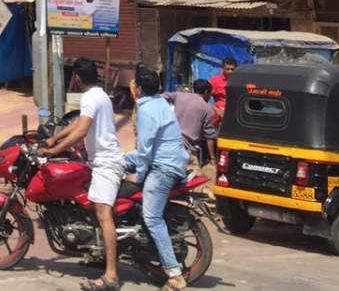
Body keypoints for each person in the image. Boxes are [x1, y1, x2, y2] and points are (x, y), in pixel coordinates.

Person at [42, 59, 123, 291]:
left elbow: (82, 130)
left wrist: (54, 150)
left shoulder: (89, 97)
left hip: (105, 163)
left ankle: (111, 276)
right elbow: (78, 122)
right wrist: (55, 137)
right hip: (100, 160)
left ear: (77, 77)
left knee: (103, 213)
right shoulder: (101, 94)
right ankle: (97, 253)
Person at [125, 65, 191, 291]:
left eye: (134, 84)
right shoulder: (161, 102)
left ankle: (174, 274)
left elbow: (145, 151)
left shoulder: (146, 109)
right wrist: (122, 159)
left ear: (139, 88)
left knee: (152, 218)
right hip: (173, 160)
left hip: (163, 168)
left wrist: (138, 174)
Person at [166, 79, 218, 168]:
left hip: (169, 142)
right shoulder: (208, 109)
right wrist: (213, 158)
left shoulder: (179, 96)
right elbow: (209, 136)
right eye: (210, 94)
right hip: (187, 149)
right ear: (206, 92)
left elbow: (163, 96)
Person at [208, 57, 237, 123]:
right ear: (223, 69)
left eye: (232, 69)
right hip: (220, 116)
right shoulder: (215, 81)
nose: (230, 71)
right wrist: (217, 110)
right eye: (228, 69)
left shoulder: (239, 80)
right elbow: (203, 99)